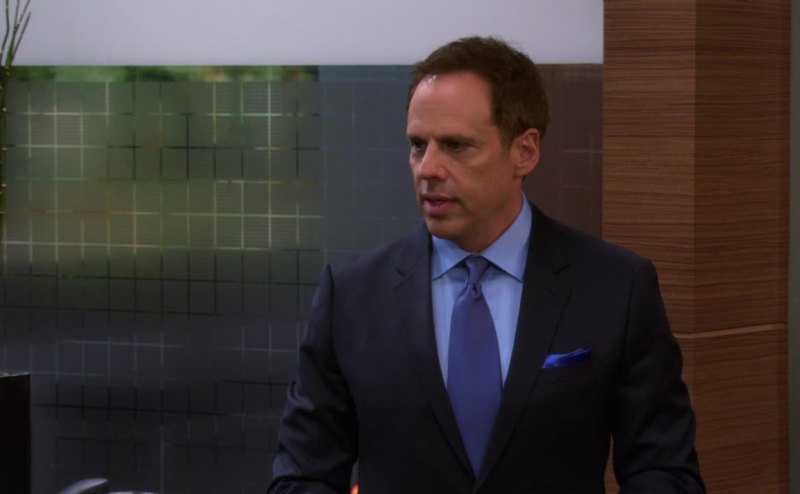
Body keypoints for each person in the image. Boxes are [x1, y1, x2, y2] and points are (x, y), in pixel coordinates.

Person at [269, 36, 705, 493]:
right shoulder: (352, 295)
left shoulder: (616, 287)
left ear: (525, 151)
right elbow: (302, 476)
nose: (427, 168)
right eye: (418, 145)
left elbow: (665, 471)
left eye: (456, 145)